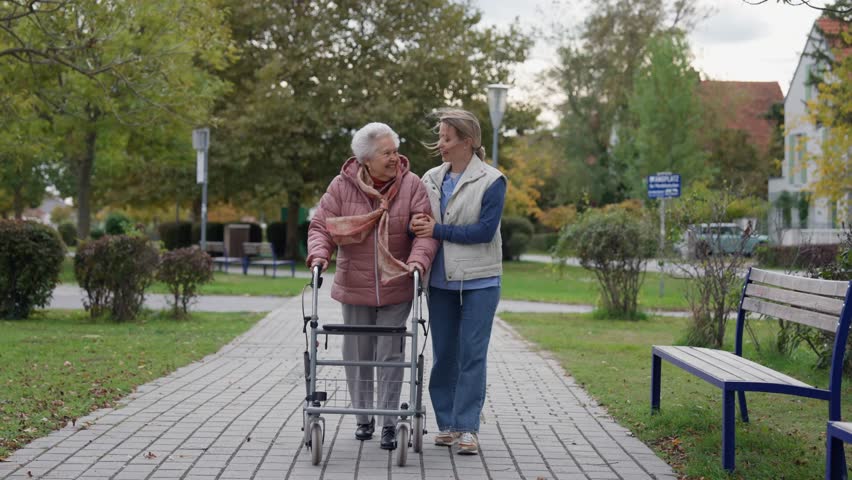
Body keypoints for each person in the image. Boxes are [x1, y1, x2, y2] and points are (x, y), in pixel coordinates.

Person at [307, 122, 438, 450]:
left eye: (395, 150)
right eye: (386, 153)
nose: (395, 158)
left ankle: (389, 421)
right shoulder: (341, 186)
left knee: (391, 354)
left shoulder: (412, 185)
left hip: (397, 281)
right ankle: (364, 417)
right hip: (354, 284)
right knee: (358, 353)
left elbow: (425, 232)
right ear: (366, 160)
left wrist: (418, 262)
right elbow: (321, 226)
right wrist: (319, 255)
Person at [410, 108, 507, 455]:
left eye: (446, 138)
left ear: (467, 141)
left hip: (481, 280)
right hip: (440, 281)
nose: (440, 144)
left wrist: (437, 229)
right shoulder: (430, 178)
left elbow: (484, 231)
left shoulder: (492, 180)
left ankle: (468, 427)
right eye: (440, 137)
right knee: (444, 355)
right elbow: (418, 220)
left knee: (471, 354)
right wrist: (414, 226)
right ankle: (448, 424)